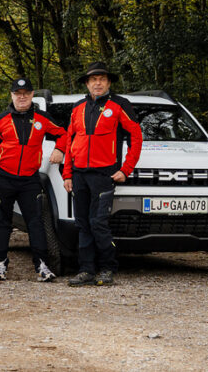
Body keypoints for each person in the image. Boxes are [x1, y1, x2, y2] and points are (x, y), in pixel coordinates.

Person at [63, 62, 143, 286]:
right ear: (87, 83)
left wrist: (126, 169)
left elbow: (136, 137)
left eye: (102, 79)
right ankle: (86, 270)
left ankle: (107, 268)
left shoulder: (119, 105)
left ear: (108, 82)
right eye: (93, 79)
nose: (97, 83)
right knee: (82, 223)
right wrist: (67, 173)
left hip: (104, 174)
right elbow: (70, 140)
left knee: (98, 222)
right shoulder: (78, 107)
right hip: (79, 174)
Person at [0, 78, 68, 282]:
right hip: (4, 177)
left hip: (29, 179)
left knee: (35, 222)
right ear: (11, 95)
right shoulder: (1, 119)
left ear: (31, 95)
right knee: (2, 222)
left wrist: (59, 148)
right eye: (17, 93)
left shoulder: (42, 118)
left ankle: (41, 264)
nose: (22, 97)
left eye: (26, 93)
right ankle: (0, 263)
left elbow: (64, 134)